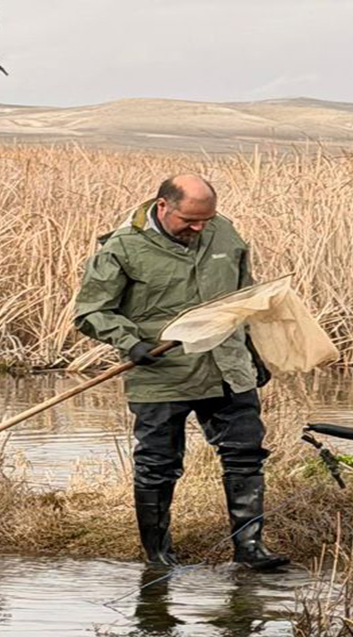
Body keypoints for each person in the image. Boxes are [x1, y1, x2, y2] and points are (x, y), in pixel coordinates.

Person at [73, 174, 287, 571]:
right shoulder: (122, 247)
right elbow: (91, 312)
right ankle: (157, 556)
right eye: (189, 220)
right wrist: (130, 342)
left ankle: (250, 550)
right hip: (161, 373)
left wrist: (253, 354)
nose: (199, 228)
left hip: (227, 367)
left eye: (206, 219)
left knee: (245, 454)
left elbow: (242, 300)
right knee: (157, 464)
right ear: (162, 206)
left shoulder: (225, 234)